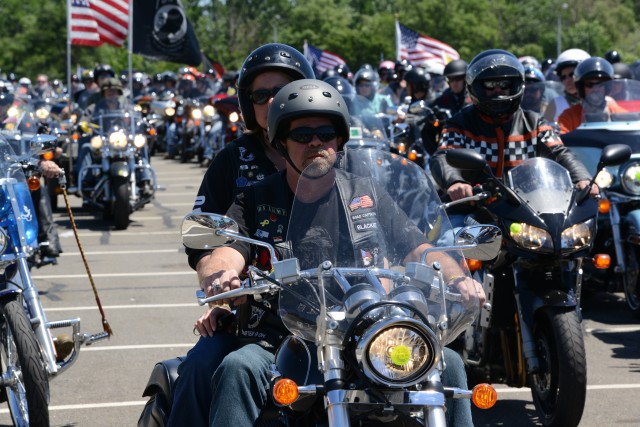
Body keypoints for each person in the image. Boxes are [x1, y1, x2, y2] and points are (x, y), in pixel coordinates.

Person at [202, 78, 483, 427]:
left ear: (340, 140)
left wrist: (457, 278)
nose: (316, 142)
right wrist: (221, 275)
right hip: (281, 338)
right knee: (237, 367)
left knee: (447, 362)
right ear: (280, 142)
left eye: (325, 133)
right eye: (303, 135)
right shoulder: (256, 199)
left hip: (361, 332)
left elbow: (418, 248)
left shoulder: (364, 193)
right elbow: (227, 250)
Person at [167, 43, 316, 427]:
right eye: (260, 95)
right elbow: (204, 237)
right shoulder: (232, 161)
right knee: (202, 366)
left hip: (329, 308)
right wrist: (219, 282)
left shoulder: (329, 152)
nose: (272, 102)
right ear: (248, 105)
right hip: (249, 309)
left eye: (281, 91)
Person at [429, 49, 599, 209]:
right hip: (473, 209)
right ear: (477, 87)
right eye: (490, 84)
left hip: (528, 210)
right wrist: (455, 182)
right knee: (449, 238)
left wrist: (582, 178)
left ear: (515, 85)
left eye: (504, 83)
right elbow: (444, 155)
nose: (498, 90)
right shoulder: (459, 124)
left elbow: (560, 152)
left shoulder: (534, 122)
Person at [557, 57, 626, 134]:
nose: (595, 89)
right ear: (581, 88)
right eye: (590, 84)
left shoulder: (619, 113)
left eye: (600, 84)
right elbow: (559, 139)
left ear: (607, 87)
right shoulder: (568, 117)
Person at [543, 48, 590, 123]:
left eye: (572, 75)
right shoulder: (555, 103)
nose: (567, 80)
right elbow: (545, 130)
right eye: (563, 77)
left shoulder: (600, 102)